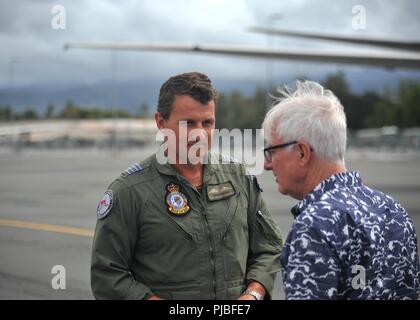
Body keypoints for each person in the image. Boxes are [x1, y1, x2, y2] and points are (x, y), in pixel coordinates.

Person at [91, 72, 282, 300]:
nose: (199, 134)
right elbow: (107, 273)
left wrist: (253, 293)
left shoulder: (238, 177)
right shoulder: (130, 190)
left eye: (207, 123)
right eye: (188, 123)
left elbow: (269, 246)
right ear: (161, 122)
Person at [262, 80, 420, 300]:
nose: (266, 164)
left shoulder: (315, 226)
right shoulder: (393, 210)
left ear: (302, 153)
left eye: (271, 151)